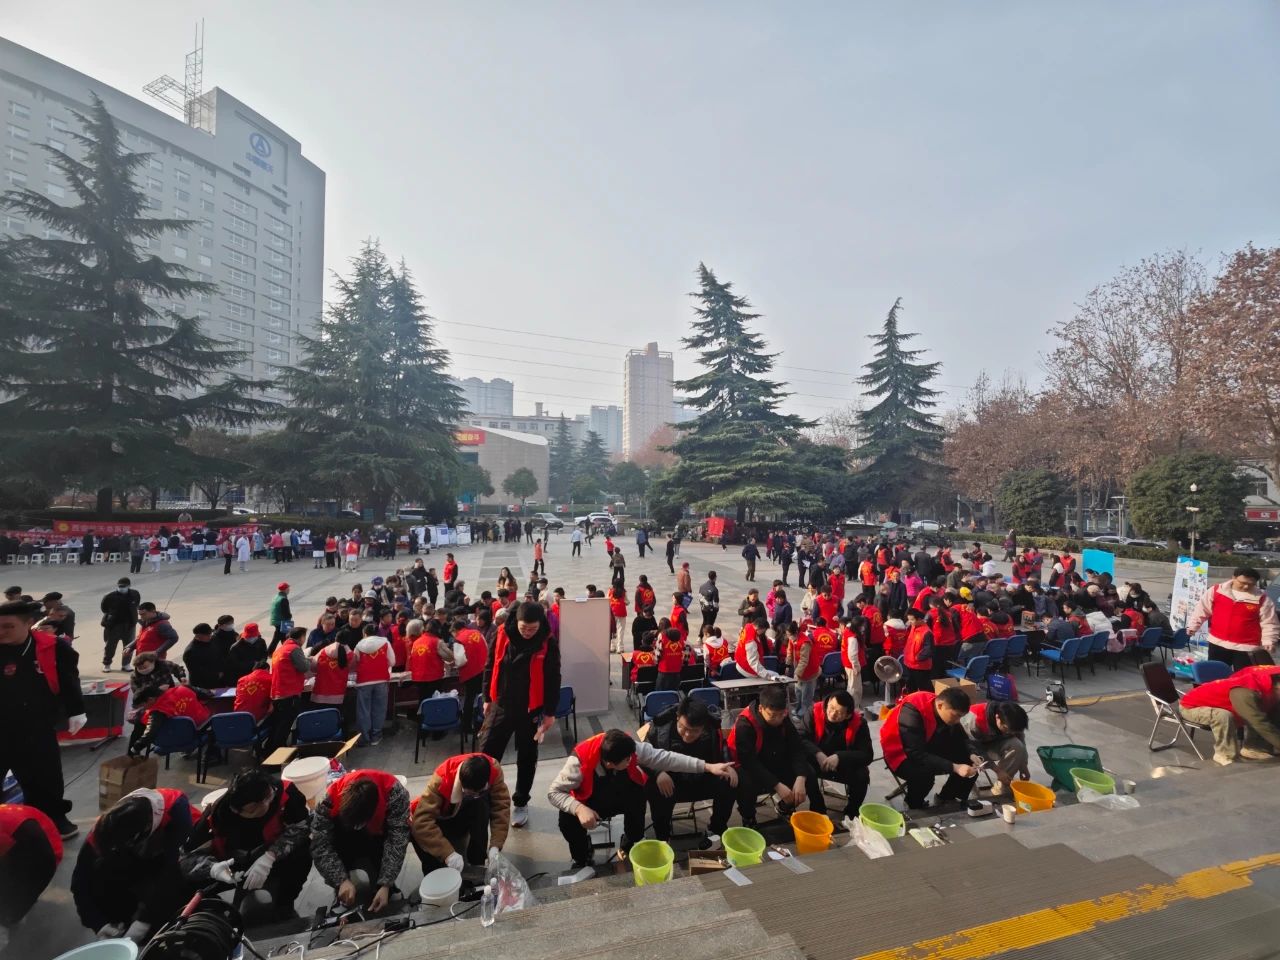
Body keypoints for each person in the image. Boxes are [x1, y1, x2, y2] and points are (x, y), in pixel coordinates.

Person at [548, 729, 735, 875]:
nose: (632, 760)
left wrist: (707, 766)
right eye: (627, 760)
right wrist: (578, 808)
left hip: (622, 793)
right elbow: (554, 792)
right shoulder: (578, 761)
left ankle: (631, 842)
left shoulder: (627, 746)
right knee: (566, 820)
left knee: (638, 797)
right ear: (610, 764)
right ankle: (582, 857)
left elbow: (666, 758)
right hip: (589, 801)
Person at [0, 600, 85, 838]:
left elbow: (69, 679)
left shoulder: (53, 647)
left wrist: (76, 710)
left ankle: (52, 819)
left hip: (36, 725)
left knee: (44, 777)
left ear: (29, 623)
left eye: (8, 626)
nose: (1, 632)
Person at [181, 769, 312, 923]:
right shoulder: (218, 816)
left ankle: (284, 904)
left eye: (267, 799)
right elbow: (186, 856)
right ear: (235, 809)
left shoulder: (285, 793)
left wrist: (271, 856)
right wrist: (213, 868)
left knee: (302, 853)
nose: (263, 807)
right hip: (231, 865)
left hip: (271, 855)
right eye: (253, 808)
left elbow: (302, 827)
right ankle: (215, 915)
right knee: (182, 883)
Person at [72, 787, 196, 946]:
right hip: (139, 858)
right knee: (102, 875)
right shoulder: (104, 829)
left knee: (179, 890)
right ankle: (118, 925)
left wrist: (145, 920)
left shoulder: (176, 810)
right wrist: (98, 924)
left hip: (177, 856)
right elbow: (80, 881)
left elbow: (172, 873)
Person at [479, 601, 561, 828]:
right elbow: (490, 664)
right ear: (517, 622)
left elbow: (554, 678)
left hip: (530, 709)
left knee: (527, 757)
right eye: (524, 628)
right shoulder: (502, 632)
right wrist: (487, 697)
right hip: (501, 705)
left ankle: (521, 801)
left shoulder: (547, 641)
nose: (527, 632)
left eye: (532, 629)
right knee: (486, 754)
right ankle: (483, 797)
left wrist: (550, 712)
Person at [639, 698, 736, 848]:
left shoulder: (712, 730)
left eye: (695, 731)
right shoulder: (658, 729)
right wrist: (658, 773)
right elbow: (643, 757)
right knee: (654, 789)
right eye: (683, 728)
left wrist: (727, 765)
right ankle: (663, 837)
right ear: (678, 717)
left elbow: (721, 750)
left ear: (703, 727)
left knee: (728, 781)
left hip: (701, 779)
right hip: (671, 782)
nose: (688, 735)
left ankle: (716, 830)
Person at [310, 770, 410, 914]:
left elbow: (397, 840)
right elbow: (320, 845)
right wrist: (340, 880)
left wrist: (386, 884)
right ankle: (342, 892)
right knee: (333, 837)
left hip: (378, 834)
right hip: (344, 838)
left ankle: (385, 886)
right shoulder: (328, 801)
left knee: (388, 839)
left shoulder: (394, 793)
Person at [879, 686, 979, 809]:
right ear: (940, 705)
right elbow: (914, 753)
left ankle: (946, 798)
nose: (958, 721)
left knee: (970, 763)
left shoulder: (945, 709)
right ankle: (913, 804)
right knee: (924, 775)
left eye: (961, 717)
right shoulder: (912, 711)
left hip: (927, 744)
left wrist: (972, 753)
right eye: (956, 715)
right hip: (901, 754)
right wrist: (954, 767)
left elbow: (961, 737)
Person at [728, 684, 815, 826]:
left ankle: (786, 807)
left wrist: (801, 777)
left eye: (781, 715)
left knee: (807, 772)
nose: (777, 719)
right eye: (772, 715)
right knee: (746, 783)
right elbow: (749, 762)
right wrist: (777, 785)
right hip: (749, 767)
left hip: (773, 759)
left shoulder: (783, 717)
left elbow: (796, 747)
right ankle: (748, 817)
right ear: (761, 709)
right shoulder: (745, 724)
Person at [410, 754, 510, 873]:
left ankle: (477, 861)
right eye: (469, 793)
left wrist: (495, 846)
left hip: (464, 813)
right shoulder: (442, 778)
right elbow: (421, 822)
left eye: (479, 792)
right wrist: (447, 854)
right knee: (435, 865)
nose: (474, 796)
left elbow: (501, 807)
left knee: (481, 803)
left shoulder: (494, 770)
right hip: (443, 818)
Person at [1178, 665, 1280, 764]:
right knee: (1223, 716)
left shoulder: (1270, 682)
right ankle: (1224, 754)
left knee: (1272, 707)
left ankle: (1255, 748)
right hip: (1191, 707)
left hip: (1229, 705)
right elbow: (1258, 722)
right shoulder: (1245, 691)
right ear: (1277, 688)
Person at [1185, 567, 1279, 671]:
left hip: (1246, 647)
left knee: (1244, 677)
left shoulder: (1262, 599)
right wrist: (1193, 626)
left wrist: (1269, 640)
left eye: (1251, 584)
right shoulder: (1217, 591)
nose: (1246, 586)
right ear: (1233, 577)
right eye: (1242, 582)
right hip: (1217, 643)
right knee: (1217, 674)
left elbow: (1269, 622)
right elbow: (1202, 609)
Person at [799, 691, 872, 818]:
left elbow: (867, 755)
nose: (832, 714)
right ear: (828, 702)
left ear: (848, 715)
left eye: (839, 712)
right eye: (831, 707)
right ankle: (818, 808)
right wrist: (817, 753)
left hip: (842, 765)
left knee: (862, 775)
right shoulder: (814, 712)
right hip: (817, 761)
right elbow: (800, 738)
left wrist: (839, 757)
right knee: (805, 768)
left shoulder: (859, 723)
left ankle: (851, 813)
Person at [0, 804, 62, 951]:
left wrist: (11, 914)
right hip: (22, 842)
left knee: (8, 907)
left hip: (45, 849)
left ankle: (8, 918)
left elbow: (45, 864)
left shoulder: (22, 832)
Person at [960, 700, 1031, 792]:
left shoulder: (1013, 721)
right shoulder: (975, 721)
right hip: (969, 747)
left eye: (1013, 731)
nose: (1010, 733)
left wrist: (1023, 766)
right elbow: (973, 750)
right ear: (997, 717)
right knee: (970, 760)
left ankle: (1002, 785)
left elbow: (1021, 740)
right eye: (1006, 729)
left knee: (1017, 745)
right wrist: (997, 770)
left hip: (992, 741)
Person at [128, 680, 211, 755]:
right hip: (202, 726)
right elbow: (206, 694)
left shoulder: (157, 712)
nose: (144, 708)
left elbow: (150, 733)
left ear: (150, 700)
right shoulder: (183, 688)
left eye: (143, 706)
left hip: (181, 737)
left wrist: (135, 748)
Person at [269, 626, 312, 750]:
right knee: (284, 728)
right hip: (289, 693)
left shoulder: (280, 650)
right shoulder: (294, 649)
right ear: (301, 637)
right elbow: (304, 667)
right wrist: (308, 660)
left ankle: (270, 751)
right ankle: (277, 754)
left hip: (278, 693)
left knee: (278, 726)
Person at [353, 624, 394, 747]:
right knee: (379, 709)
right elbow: (393, 661)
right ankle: (376, 736)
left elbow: (355, 663)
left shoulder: (359, 646)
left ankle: (364, 738)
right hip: (381, 679)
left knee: (363, 710)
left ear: (364, 633)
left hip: (364, 681)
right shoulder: (385, 643)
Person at [100, 577, 141, 672]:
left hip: (130, 625)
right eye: (120, 586)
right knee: (110, 645)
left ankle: (126, 664)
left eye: (124, 586)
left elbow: (136, 604)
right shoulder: (110, 596)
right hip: (114, 625)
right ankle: (107, 664)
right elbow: (104, 608)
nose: (122, 588)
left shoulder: (135, 594)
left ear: (129, 586)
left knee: (129, 645)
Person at [183, 622, 228, 689]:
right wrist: (216, 675)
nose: (210, 636)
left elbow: (220, 656)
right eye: (207, 634)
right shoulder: (190, 651)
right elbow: (196, 672)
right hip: (203, 686)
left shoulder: (211, 641)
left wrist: (222, 670)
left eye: (210, 633)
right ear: (199, 635)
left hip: (219, 681)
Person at [234, 660, 274, 725]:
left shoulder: (241, 680)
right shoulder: (271, 678)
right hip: (259, 721)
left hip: (238, 719)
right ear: (267, 669)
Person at [654, 627, 686, 691]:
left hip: (664, 670)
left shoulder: (661, 636)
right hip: (677, 669)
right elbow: (686, 654)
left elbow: (657, 654)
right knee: (673, 692)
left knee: (660, 692)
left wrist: (656, 662)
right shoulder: (680, 637)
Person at [268, 582, 293, 655]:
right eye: (288, 588)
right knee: (284, 637)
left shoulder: (276, 597)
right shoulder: (283, 599)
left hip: (276, 620)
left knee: (281, 638)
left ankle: (286, 651)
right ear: (285, 589)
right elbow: (286, 613)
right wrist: (290, 616)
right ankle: (269, 652)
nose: (289, 590)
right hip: (282, 622)